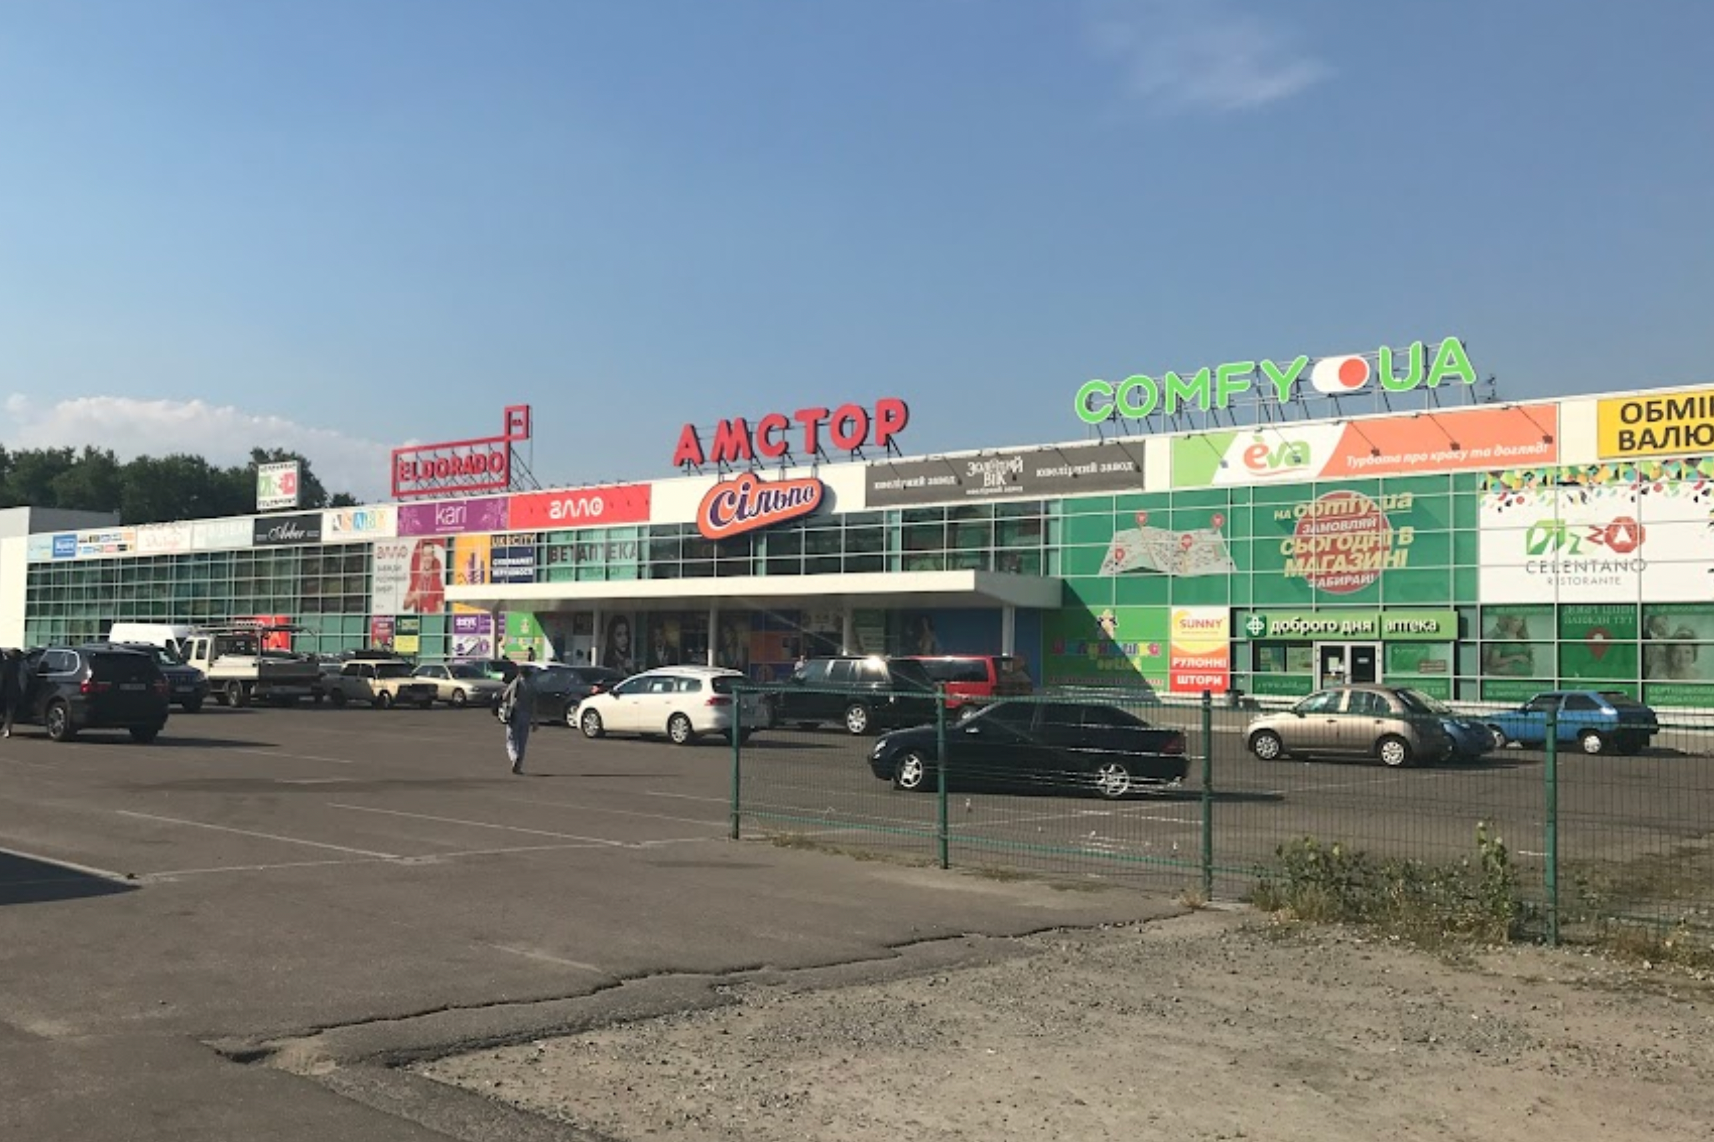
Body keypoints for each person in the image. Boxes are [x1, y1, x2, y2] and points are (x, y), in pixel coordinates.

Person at [498, 667, 537, 775]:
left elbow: (505, 696)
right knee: (522, 741)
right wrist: (535, 720)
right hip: (527, 715)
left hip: (515, 714)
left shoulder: (516, 683)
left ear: (520, 674)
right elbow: (534, 704)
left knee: (511, 739)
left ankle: (514, 757)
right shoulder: (532, 686)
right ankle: (519, 765)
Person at [0, 649, 21, 738]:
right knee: (10, 712)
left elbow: (2, 679)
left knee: (4, 711)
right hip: (14, 691)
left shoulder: (5, 665)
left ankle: (6, 729)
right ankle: (8, 729)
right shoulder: (20, 665)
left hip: (4, 691)